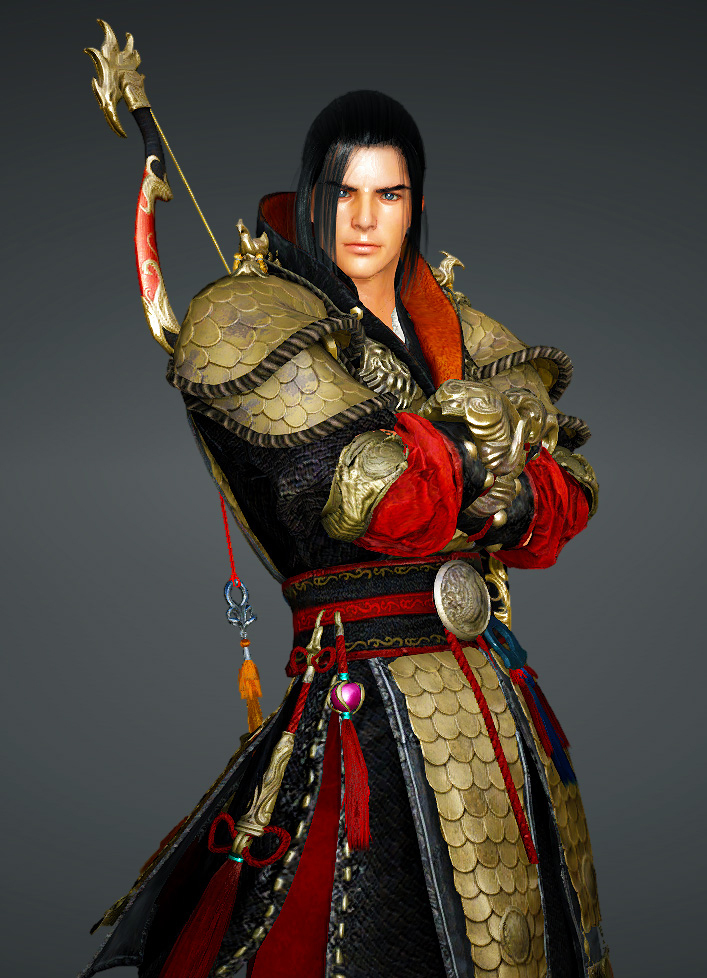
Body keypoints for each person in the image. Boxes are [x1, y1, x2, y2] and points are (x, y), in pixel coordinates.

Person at [82, 81, 609, 978]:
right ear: (312, 198)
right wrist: (491, 465)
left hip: (494, 691)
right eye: (344, 193)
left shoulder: (468, 334)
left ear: (416, 206)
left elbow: (567, 495)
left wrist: (486, 479)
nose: (364, 219)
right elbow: (368, 497)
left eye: (388, 194)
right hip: (360, 701)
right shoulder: (250, 318)